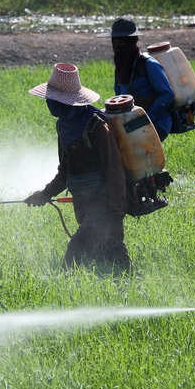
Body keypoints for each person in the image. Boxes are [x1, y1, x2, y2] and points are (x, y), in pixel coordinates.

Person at [24, 63, 130, 268]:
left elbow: (115, 171)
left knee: (75, 255)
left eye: (52, 100)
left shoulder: (97, 127)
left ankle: (64, 290)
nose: (49, 103)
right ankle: (134, 290)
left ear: (67, 102)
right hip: (84, 204)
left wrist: (116, 214)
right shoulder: (63, 126)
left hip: (105, 206)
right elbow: (65, 171)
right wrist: (44, 194)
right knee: (113, 262)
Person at [109, 15, 174, 142]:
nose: (117, 45)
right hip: (131, 126)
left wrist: (146, 119)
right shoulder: (120, 68)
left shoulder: (149, 64)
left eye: (122, 41)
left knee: (138, 155)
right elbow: (118, 98)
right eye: (115, 41)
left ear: (132, 41)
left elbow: (167, 94)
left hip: (157, 123)